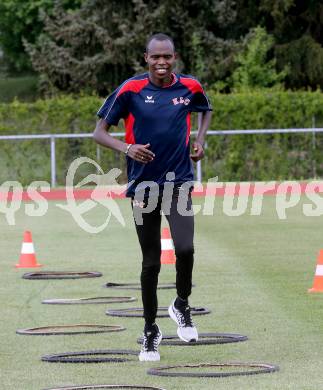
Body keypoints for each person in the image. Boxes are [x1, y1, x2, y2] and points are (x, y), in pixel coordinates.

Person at [93, 33, 212, 362]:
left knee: (185, 248)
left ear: (175, 57)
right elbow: (99, 132)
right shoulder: (131, 89)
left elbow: (205, 109)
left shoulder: (189, 86)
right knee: (151, 262)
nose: (162, 62)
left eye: (167, 57)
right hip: (143, 187)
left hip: (179, 182)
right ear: (146, 58)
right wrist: (127, 148)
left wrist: (200, 140)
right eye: (155, 57)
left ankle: (181, 304)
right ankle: (150, 331)